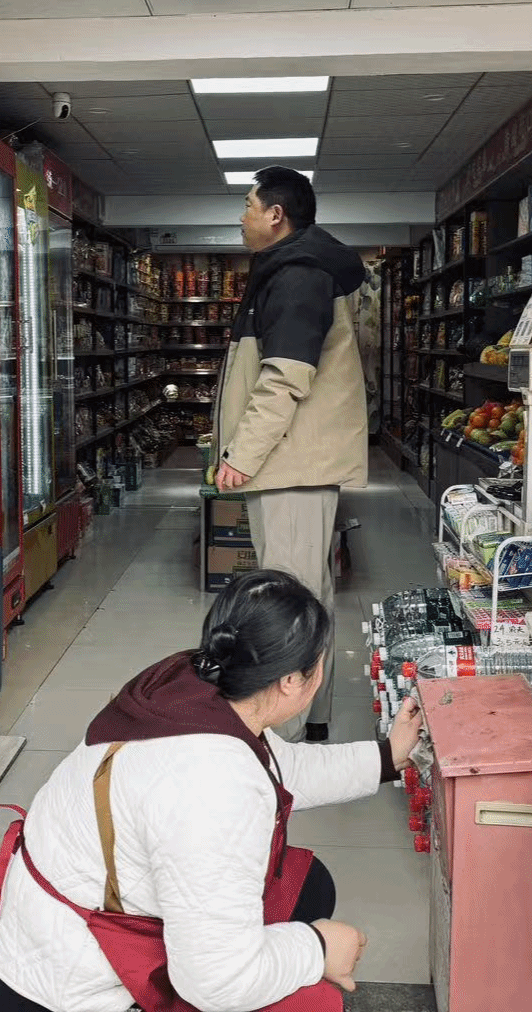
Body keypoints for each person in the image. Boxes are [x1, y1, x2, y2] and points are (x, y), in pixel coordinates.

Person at [0, 570, 424, 1012]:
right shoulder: (212, 787)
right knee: (315, 1004)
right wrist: (318, 947)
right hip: (73, 989)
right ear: (292, 680)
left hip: (55, 931)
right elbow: (215, 983)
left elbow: (282, 767)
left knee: (308, 886)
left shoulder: (199, 685)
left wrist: (388, 757)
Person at [214, 166, 368, 743]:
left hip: (290, 465)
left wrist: (242, 454)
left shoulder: (298, 274)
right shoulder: (292, 269)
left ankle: (285, 738)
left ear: (276, 214)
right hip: (294, 463)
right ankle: (312, 719)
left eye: (248, 205)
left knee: (289, 603)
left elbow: (284, 377)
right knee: (308, 595)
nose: (242, 217)